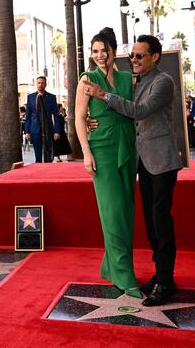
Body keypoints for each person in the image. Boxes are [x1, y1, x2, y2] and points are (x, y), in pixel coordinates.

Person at [83, 34, 183, 307]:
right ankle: (162, 275)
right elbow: (114, 112)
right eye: (133, 56)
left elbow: (140, 110)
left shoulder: (163, 81)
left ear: (155, 57)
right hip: (140, 160)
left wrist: (102, 95)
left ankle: (166, 281)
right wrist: (95, 122)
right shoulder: (137, 81)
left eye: (140, 56)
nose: (135, 60)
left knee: (161, 222)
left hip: (161, 161)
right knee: (151, 222)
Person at [75, 28, 140, 298]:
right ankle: (125, 274)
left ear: (114, 51)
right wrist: (86, 153)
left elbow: (135, 110)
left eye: (104, 50)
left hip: (127, 145)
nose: (100, 56)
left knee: (125, 211)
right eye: (95, 51)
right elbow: (79, 118)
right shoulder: (87, 79)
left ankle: (111, 267)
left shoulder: (127, 78)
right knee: (112, 211)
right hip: (101, 148)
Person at [24, 76, 62, 163]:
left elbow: (56, 115)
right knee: (38, 156)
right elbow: (28, 116)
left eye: (42, 83)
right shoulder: (31, 97)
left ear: (45, 84)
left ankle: (48, 174)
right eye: (39, 83)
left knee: (48, 155)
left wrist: (57, 131)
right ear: (36, 84)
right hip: (35, 129)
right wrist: (27, 131)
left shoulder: (51, 97)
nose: (40, 85)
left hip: (48, 129)